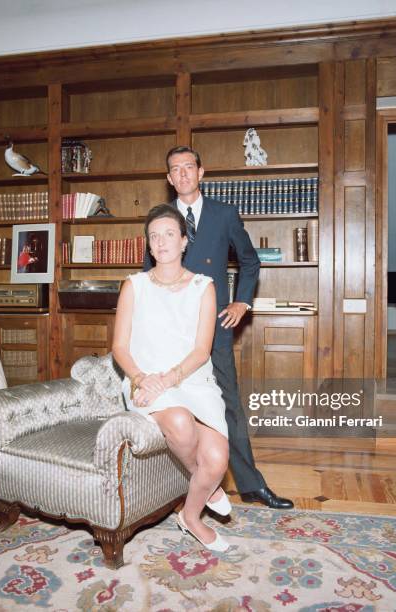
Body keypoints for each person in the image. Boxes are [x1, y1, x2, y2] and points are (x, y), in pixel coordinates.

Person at [144, 145, 294, 510]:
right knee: (169, 404)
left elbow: (250, 261)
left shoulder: (224, 214)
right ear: (168, 179)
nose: (182, 174)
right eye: (175, 170)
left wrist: (243, 300)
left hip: (214, 329)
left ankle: (251, 484)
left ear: (201, 172)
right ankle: (179, 486)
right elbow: (147, 273)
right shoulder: (161, 220)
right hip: (169, 329)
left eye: (188, 167)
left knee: (228, 406)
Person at [113, 204, 231, 552]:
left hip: (192, 380)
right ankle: (205, 492)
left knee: (219, 459)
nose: (161, 242)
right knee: (179, 422)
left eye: (169, 234)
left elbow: (201, 350)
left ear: (183, 241)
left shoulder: (203, 287)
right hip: (145, 381)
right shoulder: (134, 286)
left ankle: (189, 515)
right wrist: (139, 378)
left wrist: (172, 378)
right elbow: (119, 347)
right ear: (149, 247)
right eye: (154, 236)